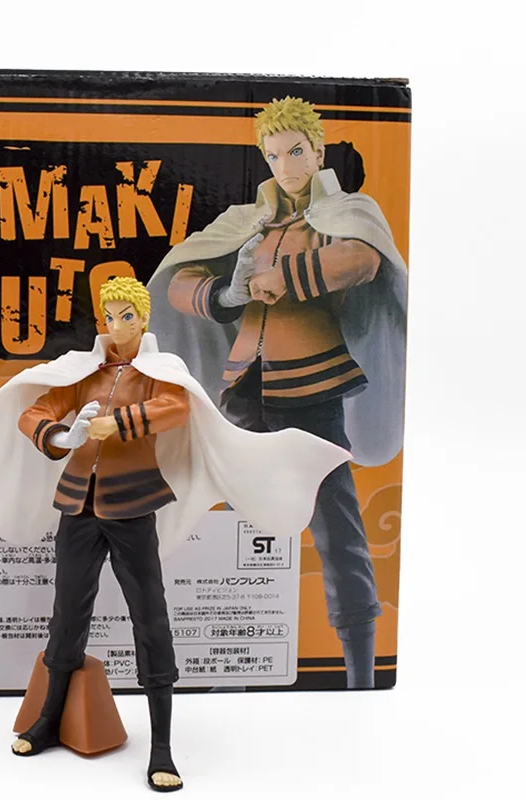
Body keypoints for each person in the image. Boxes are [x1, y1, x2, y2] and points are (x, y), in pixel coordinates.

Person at [0, 277, 350, 790]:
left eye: (126, 316)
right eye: (109, 317)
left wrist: (120, 422)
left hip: (132, 505)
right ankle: (48, 719)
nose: (116, 326)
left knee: (149, 616)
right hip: (78, 505)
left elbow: (177, 407)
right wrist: (64, 434)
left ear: (143, 319)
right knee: (67, 613)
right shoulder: (83, 373)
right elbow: (35, 411)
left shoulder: (159, 370)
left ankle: (162, 747)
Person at [146, 97, 408, 689]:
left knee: (334, 521)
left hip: (312, 384)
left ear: (317, 151)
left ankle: (360, 670)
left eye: (295, 152)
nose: (285, 166)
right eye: (273, 155)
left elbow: (361, 259)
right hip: (241, 387)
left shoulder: (348, 210)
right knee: (207, 500)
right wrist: (226, 294)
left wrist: (281, 277)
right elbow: (178, 278)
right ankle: (194, 643)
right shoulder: (246, 220)